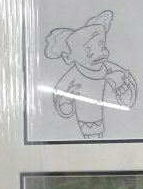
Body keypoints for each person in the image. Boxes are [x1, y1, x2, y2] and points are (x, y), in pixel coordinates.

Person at [45, 10, 137, 139]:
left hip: (120, 126)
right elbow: (59, 96)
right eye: (88, 50)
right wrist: (65, 100)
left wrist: (123, 86)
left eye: (101, 44)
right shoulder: (73, 74)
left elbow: (128, 93)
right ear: (68, 57)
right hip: (86, 122)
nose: (100, 52)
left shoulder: (110, 68)